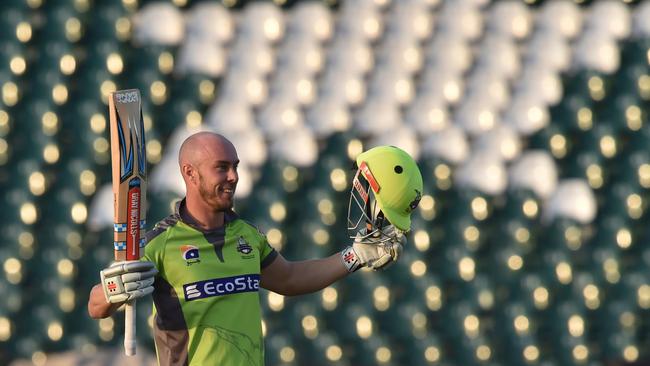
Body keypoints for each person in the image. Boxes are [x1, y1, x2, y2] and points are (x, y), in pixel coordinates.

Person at [88, 132, 423, 366]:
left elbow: (289, 279)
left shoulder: (246, 236)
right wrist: (114, 289)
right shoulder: (160, 243)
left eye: (235, 166)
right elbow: (96, 306)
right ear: (189, 173)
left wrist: (355, 256)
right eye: (222, 167)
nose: (234, 176)